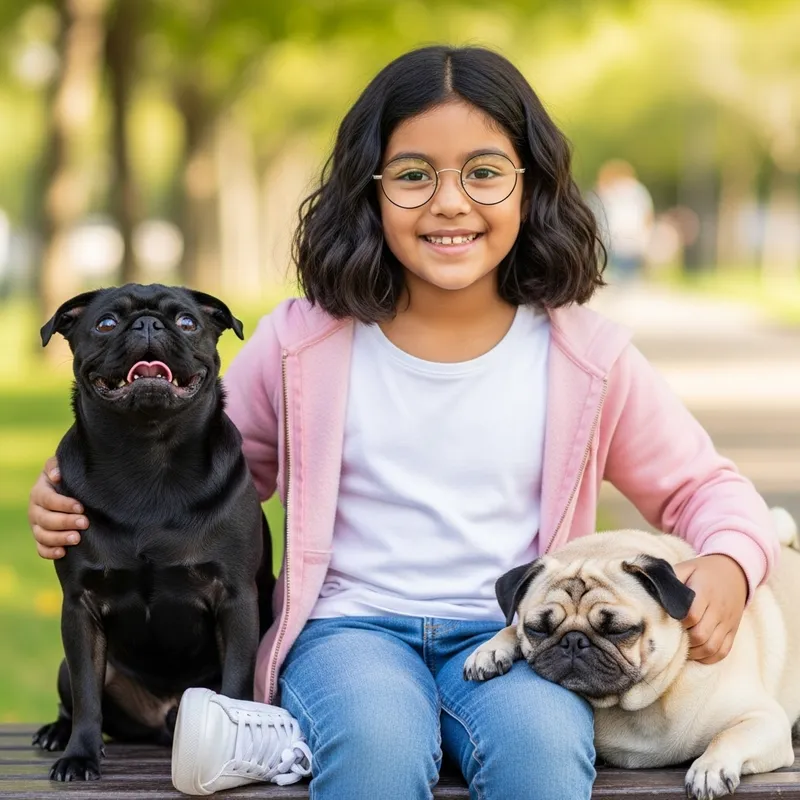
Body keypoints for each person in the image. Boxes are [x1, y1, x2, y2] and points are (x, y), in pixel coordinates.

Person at [28, 45, 778, 800]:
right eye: (415, 175)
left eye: (483, 172)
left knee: (543, 756)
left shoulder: (586, 356)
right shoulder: (302, 342)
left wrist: (731, 562)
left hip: (515, 641)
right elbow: (205, 465)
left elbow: (702, 486)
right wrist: (68, 497)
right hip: (348, 633)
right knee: (376, 754)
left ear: (531, 186)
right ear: (369, 190)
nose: (450, 202)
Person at [592, 159, 654, 283]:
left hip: (622, 238)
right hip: (623, 239)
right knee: (625, 273)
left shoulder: (629, 190)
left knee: (621, 273)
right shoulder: (637, 190)